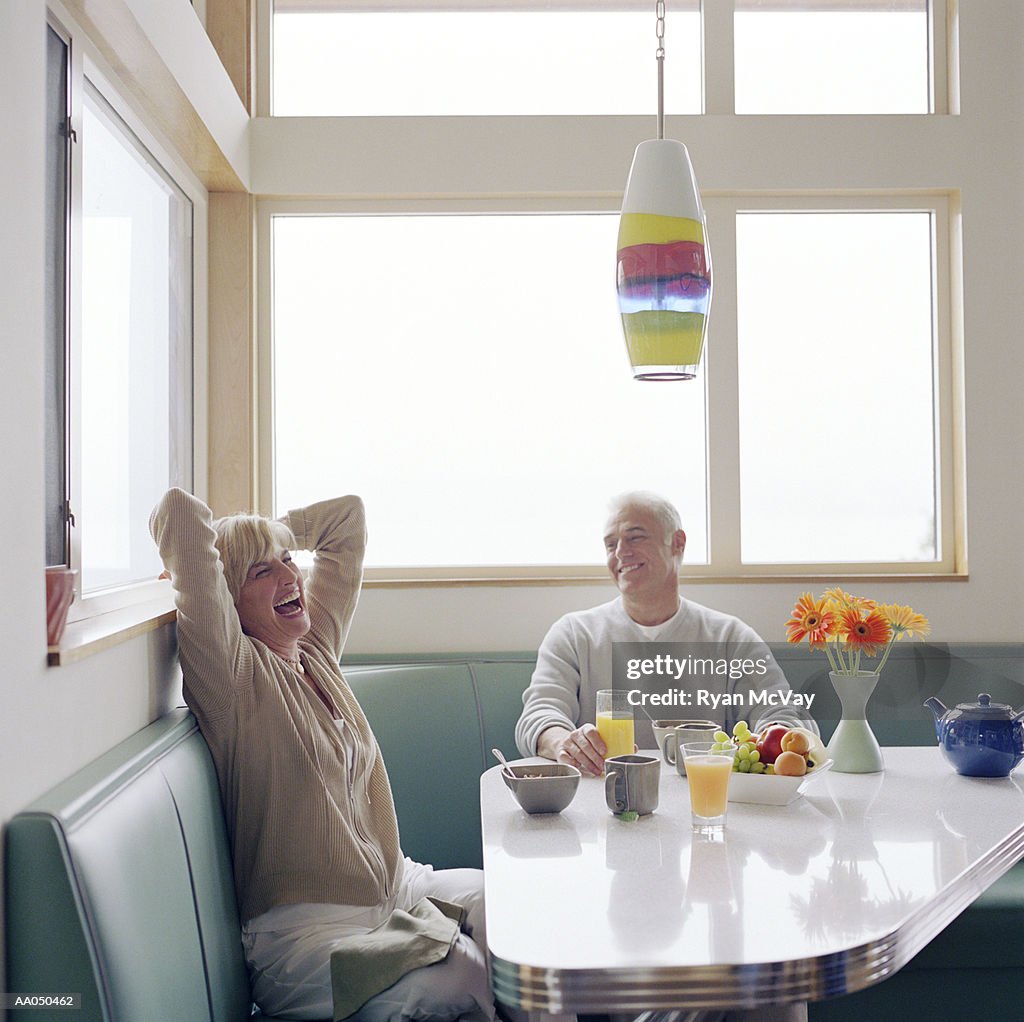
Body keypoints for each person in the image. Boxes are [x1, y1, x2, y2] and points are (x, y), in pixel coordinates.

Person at [150, 487, 495, 1022]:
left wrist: (273, 533)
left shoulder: (316, 650)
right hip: (306, 931)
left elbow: (347, 519)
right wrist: (224, 551)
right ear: (227, 598)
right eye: (260, 573)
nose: (289, 577)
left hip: (395, 885)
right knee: (462, 976)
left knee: (513, 909)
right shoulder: (233, 676)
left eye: (288, 560)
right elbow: (178, 513)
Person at [515, 491, 818, 778]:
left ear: (678, 543)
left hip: (708, 805)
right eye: (610, 544)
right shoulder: (573, 634)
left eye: (635, 537)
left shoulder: (731, 638)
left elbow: (784, 714)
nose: (621, 552)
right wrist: (564, 743)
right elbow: (540, 715)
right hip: (602, 804)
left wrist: (777, 741)